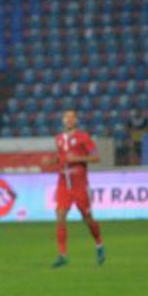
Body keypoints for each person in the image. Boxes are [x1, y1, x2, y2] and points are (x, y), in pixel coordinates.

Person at [52, 109, 104, 268]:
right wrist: (52, 160)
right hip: (63, 182)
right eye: (65, 117)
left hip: (80, 183)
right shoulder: (59, 139)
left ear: (76, 120)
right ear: (62, 120)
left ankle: (99, 244)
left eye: (71, 117)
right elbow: (61, 158)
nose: (68, 119)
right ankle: (62, 255)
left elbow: (96, 156)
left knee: (87, 218)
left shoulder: (84, 137)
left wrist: (78, 158)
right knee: (60, 215)